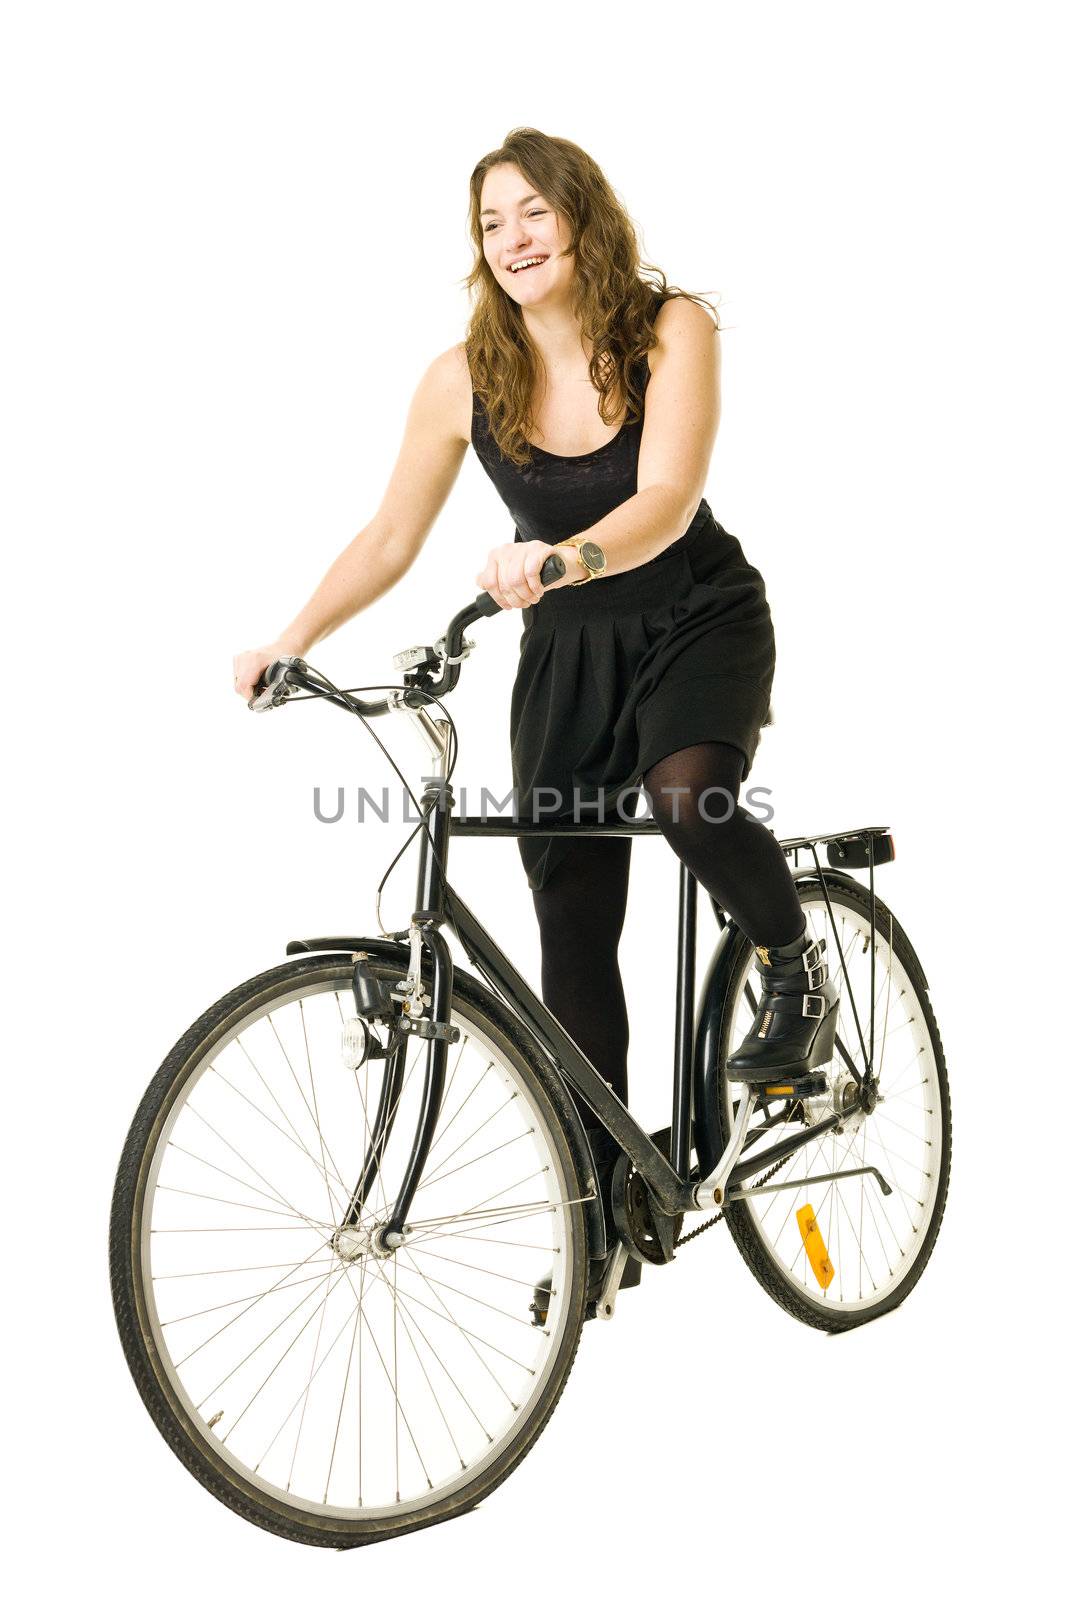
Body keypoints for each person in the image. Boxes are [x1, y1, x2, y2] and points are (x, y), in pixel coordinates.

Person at [233, 126, 839, 1306]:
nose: (512, 239)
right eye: (490, 222)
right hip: (568, 653)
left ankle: (793, 963)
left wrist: (559, 555)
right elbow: (391, 537)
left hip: (693, 615)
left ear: (580, 217)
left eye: (533, 214)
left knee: (686, 800)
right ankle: (610, 1201)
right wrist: (292, 641)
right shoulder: (464, 374)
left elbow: (666, 497)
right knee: (570, 915)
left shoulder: (671, 331)